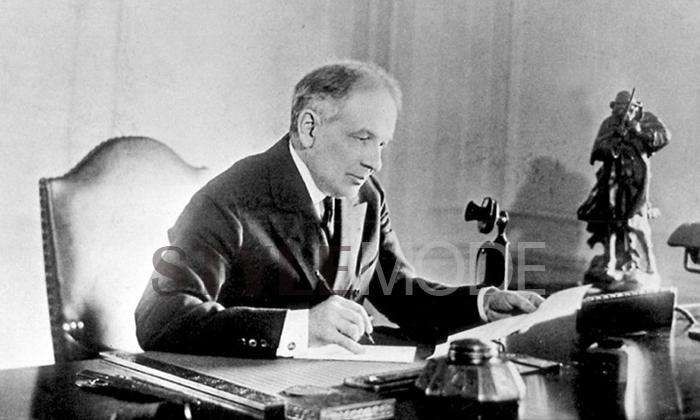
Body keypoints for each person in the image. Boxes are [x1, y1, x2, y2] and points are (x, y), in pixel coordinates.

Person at [135, 61, 543, 358]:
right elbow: (161, 318)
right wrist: (301, 327)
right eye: (362, 138)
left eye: (381, 144)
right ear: (309, 127)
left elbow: (397, 289)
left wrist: (480, 303)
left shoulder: (367, 196)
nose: (375, 162)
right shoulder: (229, 199)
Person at [577, 90, 669, 288]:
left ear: (636, 108)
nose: (625, 111)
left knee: (638, 223)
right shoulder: (609, 123)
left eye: (629, 107)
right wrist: (614, 142)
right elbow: (598, 150)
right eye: (619, 108)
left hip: (637, 181)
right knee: (610, 222)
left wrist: (639, 132)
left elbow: (664, 137)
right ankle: (610, 263)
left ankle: (650, 266)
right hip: (613, 180)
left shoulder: (647, 120)